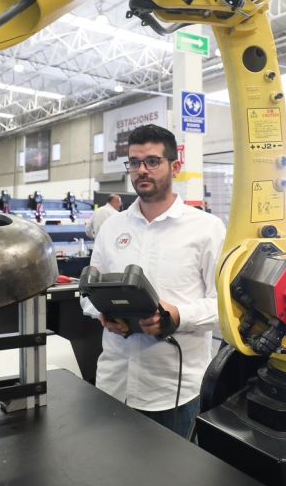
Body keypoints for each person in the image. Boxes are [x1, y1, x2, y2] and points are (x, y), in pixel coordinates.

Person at [82, 124, 225, 438]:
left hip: (173, 392)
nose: (141, 170)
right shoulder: (112, 228)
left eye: (152, 161)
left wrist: (177, 316)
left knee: (173, 471)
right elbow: (87, 292)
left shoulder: (207, 229)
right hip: (113, 384)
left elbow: (224, 307)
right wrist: (103, 313)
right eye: (134, 162)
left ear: (175, 167)